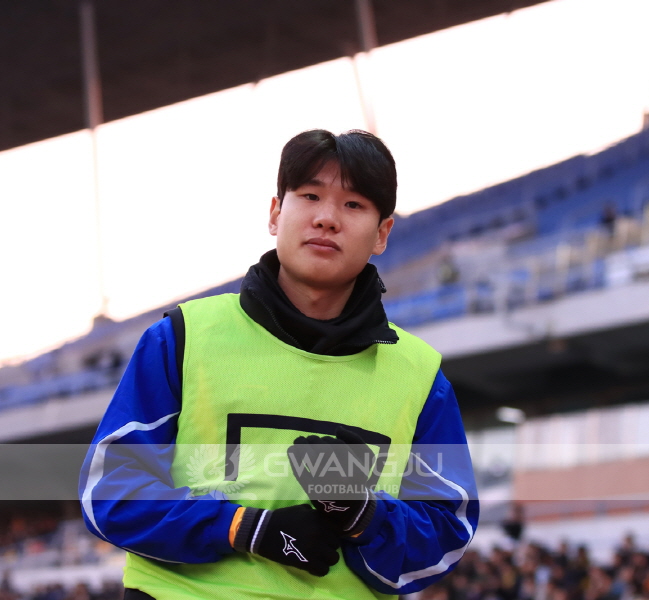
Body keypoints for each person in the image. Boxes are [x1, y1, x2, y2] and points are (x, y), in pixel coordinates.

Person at [78, 129, 479, 599]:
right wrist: (243, 527)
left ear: (382, 234)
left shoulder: (419, 375)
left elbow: (447, 531)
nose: (327, 218)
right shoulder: (183, 337)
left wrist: (364, 514)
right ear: (275, 213)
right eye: (310, 196)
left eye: (353, 204)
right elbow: (110, 489)